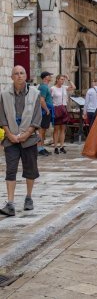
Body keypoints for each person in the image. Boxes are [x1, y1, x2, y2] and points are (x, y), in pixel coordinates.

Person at [0, 66, 42, 216]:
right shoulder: (4, 94)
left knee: (30, 169)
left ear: (25, 75)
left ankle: (28, 198)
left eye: (22, 73)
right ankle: (10, 203)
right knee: (10, 170)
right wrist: (9, 134)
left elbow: (37, 116)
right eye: (16, 73)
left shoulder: (35, 93)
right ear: (12, 77)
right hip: (11, 139)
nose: (19, 76)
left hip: (29, 139)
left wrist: (27, 133)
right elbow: (2, 116)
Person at [50, 74, 76, 154]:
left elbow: (74, 87)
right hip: (56, 108)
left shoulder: (64, 87)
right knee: (56, 129)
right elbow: (50, 99)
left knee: (63, 128)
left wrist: (68, 79)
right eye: (61, 79)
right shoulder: (52, 88)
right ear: (57, 79)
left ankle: (61, 146)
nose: (62, 81)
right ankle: (55, 147)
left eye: (63, 80)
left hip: (64, 109)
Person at [37, 71, 54, 156]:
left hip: (47, 109)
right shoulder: (43, 87)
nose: (51, 76)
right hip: (44, 111)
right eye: (49, 75)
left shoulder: (46, 86)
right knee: (41, 130)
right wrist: (47, 110)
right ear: (45, 77)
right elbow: (41, 100)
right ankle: (39, 148)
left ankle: (42, 147)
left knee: (43, 130)